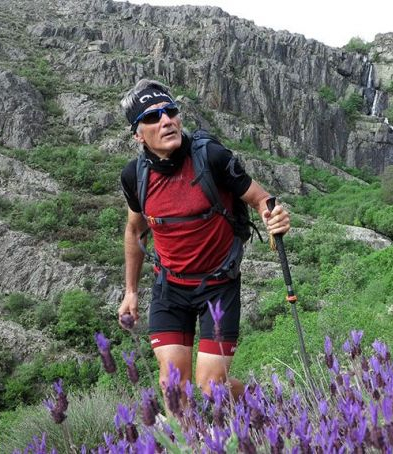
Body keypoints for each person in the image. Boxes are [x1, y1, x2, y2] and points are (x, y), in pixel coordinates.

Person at [116, 79, 290, 402]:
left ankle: (264, 402)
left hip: (218, 286)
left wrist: (274, 216)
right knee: (173, 387)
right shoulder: (134, 177)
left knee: (212, 388)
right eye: (153, 117)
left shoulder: (210, 156)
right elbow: (134, 230)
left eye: (171, 111)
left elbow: (260, 199)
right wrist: (130, 291)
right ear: (138, 134)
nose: (167, 120)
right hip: (170, 289)